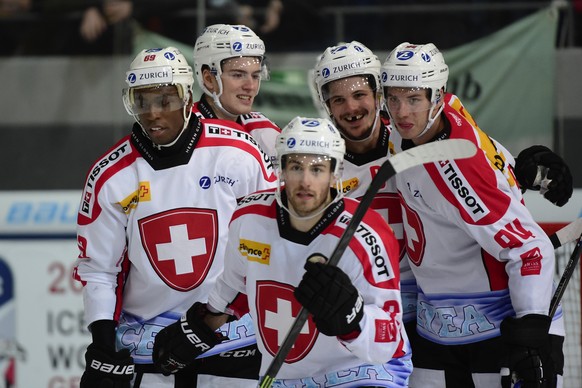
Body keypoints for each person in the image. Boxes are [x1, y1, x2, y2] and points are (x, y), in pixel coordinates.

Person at [310, 40, 573, 338]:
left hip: (427, 318)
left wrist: (524, 170)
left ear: (377, 94)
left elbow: (478, 168)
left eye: (360, 95)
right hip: (371, 316)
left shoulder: (413, 135)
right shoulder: (318, 167)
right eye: (338, 100)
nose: (352, 108)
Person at [152, 116, 413, 387]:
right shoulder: (248, 219)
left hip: (363, 370)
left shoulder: (367, 234)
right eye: (296, 167)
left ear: (335, 173)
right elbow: (233, 285)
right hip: (285, 377)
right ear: (281, 170)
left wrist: (353, 320)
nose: (305, 181)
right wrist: (200, 327)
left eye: (317, 169)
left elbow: (390, 340)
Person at [73, 46, 277, 387]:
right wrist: (103, 343)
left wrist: (213, 319)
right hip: (151, 348)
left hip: (236, 338)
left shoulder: (241, 154)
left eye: (164, 101)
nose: (153, 113)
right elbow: (99, 270)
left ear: (186, 98)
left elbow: (267, 246)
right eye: (142, 102)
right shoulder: (110, 175)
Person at [381, 42, 565, 388]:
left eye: (414, 99)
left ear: (436, 97)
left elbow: (531, 249)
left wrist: (531, 330)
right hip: (441, 327)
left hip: (499, 334)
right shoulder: (448, 112)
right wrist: (519, 172)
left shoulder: (455, 171)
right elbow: (486, 158)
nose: (401, 111)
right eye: (393, 98)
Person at [191, 23, 281, 159]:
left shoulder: (266, 130)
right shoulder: (183, 130)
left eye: (255, 76)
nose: (250, 86)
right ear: (209, 79)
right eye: (238, 75)